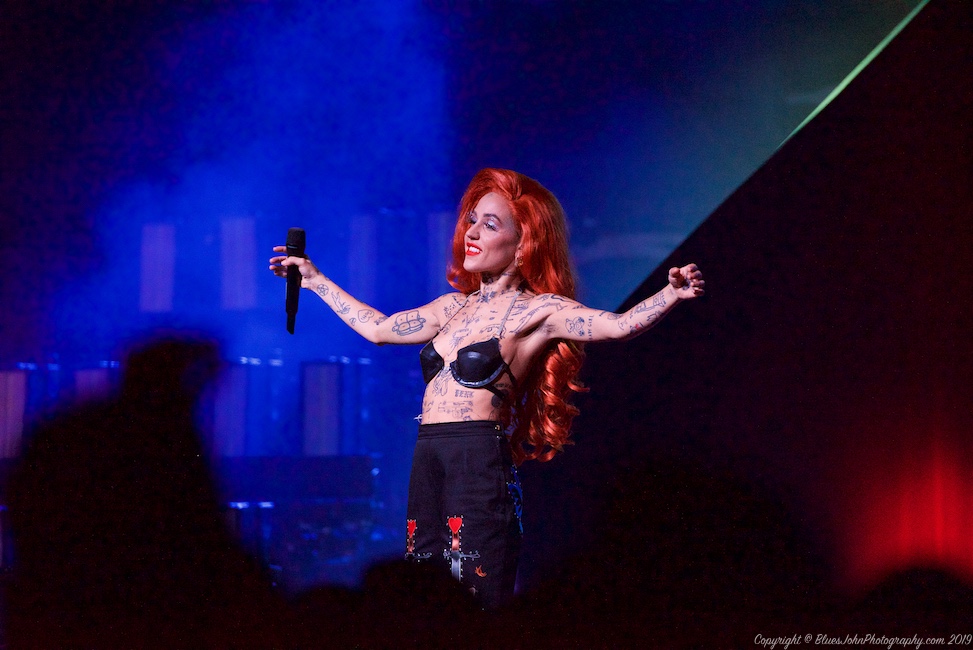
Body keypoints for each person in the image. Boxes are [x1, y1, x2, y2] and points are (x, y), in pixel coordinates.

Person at [269, 168, 704, 607]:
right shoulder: (451, 308)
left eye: (490, 225)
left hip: (476, 456)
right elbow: (379, 329)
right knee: (421, 583)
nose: (471, 233)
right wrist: (315, 280)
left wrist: (669, 294)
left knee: (472, 584)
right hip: (428, 452)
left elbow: (617, 325)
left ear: (523, 243)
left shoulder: (538, 311)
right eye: (472, 221)